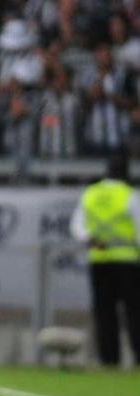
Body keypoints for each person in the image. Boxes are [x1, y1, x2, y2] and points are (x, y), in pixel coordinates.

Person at [70, 154, 140, 367]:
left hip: (99, 261)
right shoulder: (130, 195)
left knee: (104, 314)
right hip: (128, 263)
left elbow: (77, 227)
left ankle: (109, 361)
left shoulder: (91, 193)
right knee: (134, 313)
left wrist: (90, 239)